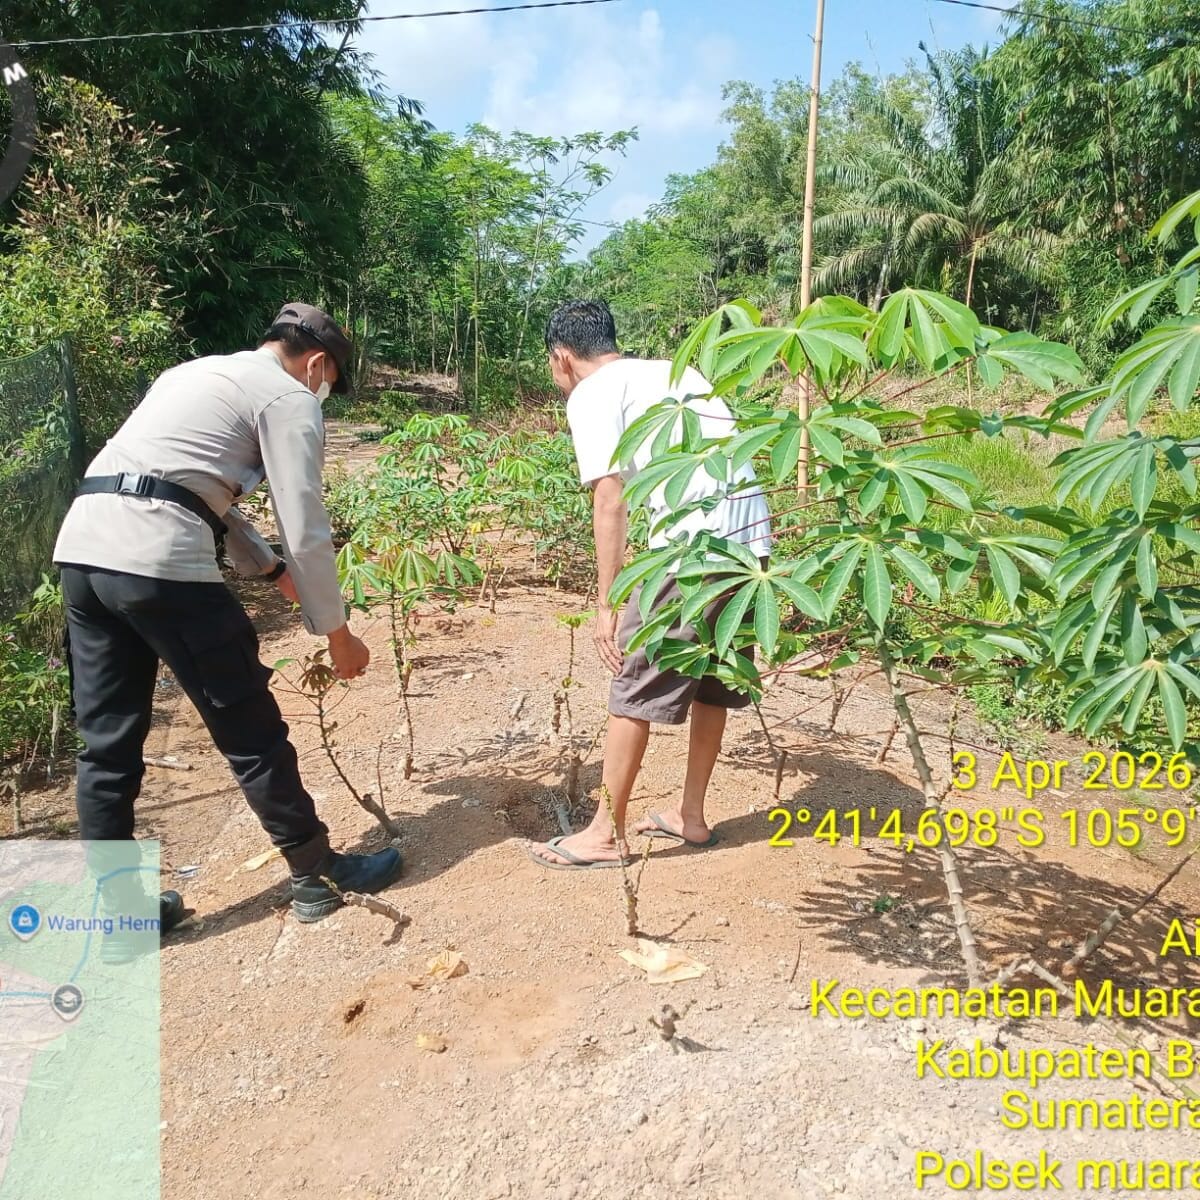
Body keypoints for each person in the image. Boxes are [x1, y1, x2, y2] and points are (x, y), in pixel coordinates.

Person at [53, 303, 403, 926]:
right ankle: (316, 875)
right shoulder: (288, 397)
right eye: (327, 383)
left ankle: (120, 917)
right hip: (159, 559)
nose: (322, 392)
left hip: (83, 551)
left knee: (106, 746)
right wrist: (338, 633)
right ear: (317, 363)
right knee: (249, 726)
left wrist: (270, 572)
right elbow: (305, 522)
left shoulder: (193, 374)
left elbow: (193, 489)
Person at [529, 299, 773, 869]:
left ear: (562, 357)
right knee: (714, 681)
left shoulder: (592, 392)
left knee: (632, 681)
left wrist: (608, 602)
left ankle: (604, 833)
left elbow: (609, 498)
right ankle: (690, 815)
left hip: (689, 553)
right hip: (749, 551)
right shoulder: (676, 371)